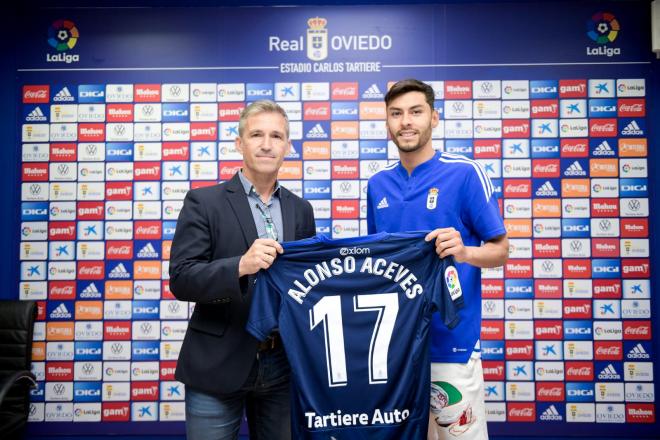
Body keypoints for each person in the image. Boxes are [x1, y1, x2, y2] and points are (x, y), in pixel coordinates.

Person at [366, 79, 509, 440]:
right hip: (395, 348)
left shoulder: (464, 173)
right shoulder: (377, 184)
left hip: (451, 342)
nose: (406, 121)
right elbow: (376, 263)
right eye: (396, 114)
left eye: (416, 111)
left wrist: (463, 252)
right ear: (387, 123)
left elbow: (501, 250)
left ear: (435, 117)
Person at [169, 100, 316, 440]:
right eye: (257, 134)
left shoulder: (301, 209)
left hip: (282, 364)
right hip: (217, 364)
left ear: (288, 146)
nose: (267, 144)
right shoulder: (203, 202)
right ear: (239, 143)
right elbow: (182, 279)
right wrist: (240, 265)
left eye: (277, 136)